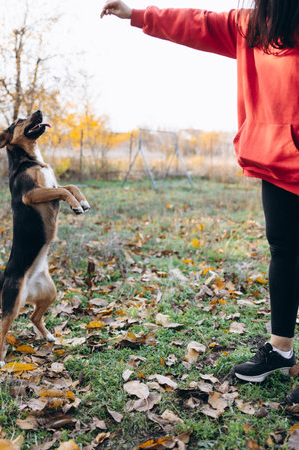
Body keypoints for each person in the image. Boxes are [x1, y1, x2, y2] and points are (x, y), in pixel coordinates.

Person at [100, 0, 299, 403]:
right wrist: (137, 15)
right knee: (284, 251)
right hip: (276, 160)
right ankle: (280, 350)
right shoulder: (251, 26)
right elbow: (197, 24)